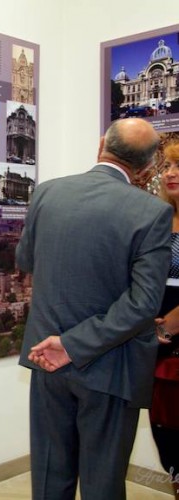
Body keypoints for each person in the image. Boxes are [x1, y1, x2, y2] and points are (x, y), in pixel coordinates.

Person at [16, 118, 173, 500]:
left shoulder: (48, 192)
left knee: (49, 477)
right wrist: (72, 345)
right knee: (102, 482)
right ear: (147, 167)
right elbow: (143, 304)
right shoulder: (151, 212)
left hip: (47, 358)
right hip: (111, 366)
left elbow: (25, 260)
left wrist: (62, 343)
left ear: (101, 143)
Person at [150, 142, 179, 500]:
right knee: (168, 439)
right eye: (168, 166)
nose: (170, 172)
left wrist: (168, 325)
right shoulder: (157, 218)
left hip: (168, 332)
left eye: (178, 166)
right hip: (156, 344)